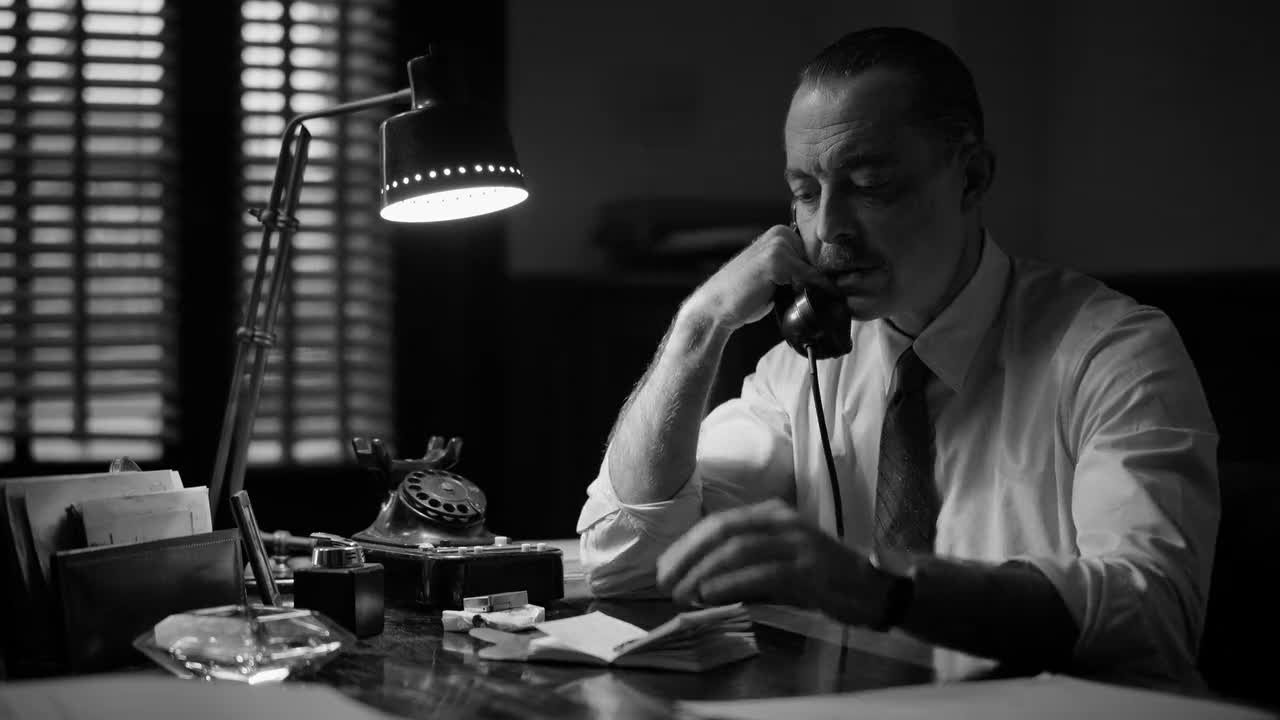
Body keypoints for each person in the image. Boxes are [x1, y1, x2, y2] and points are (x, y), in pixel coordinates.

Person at [575, 26, 1219, 689]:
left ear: (971, 177)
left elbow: (1153, 613)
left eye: (870, 185)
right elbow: (628, 563)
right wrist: (700, 324)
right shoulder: (800, 370)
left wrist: (888, 589)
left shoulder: (1116, 353)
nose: (829, 229)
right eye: (805, 193)